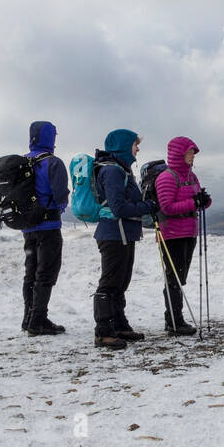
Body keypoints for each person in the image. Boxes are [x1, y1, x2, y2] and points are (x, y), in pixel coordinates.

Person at [92, 129, 157, 349]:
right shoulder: (112, 172)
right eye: (134, 144)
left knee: (121, 282)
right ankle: (103, 331)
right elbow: (118, 207)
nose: (137, 149)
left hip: (122, 233)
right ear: (123, 146)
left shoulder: (121, 169)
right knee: (110, 283)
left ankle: (118, 324)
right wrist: (147, 206)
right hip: (113, 233)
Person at [153, 136, 211, 335]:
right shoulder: (167, 177)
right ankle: (174, 321)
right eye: (189, 152)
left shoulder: (191, 176)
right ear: (179, 153)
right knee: (174, 277)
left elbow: (196, 201)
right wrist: (194, 203)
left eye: (193, 152)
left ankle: (175, 319)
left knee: (180, 276)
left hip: (188, 231)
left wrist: (204, 201)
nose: (192, 156)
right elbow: (166, 207)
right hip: (171, 233)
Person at [21, 120, 69, 335]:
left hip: (28, 227)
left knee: (30, 272)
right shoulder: (53, 163)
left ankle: (28, 318)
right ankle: (38, 320)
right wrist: (59, 206)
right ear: (50, 138)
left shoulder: (22, 162)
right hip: (49, 225)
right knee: (46, 272)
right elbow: (61, 196)